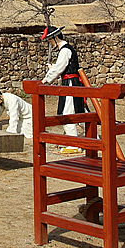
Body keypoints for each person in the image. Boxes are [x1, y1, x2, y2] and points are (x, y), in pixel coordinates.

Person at [41, 25, 85, 153]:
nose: (50, 43)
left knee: (67, 113)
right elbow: (61, 67)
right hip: (70, 82)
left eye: (50, 40)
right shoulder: (64, 50)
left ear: (55, 38)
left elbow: (59, 68)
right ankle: (93, 138)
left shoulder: (65, 50)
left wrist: (46, 80)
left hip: (71, 83)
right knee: (78, 111)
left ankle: (74, 143)